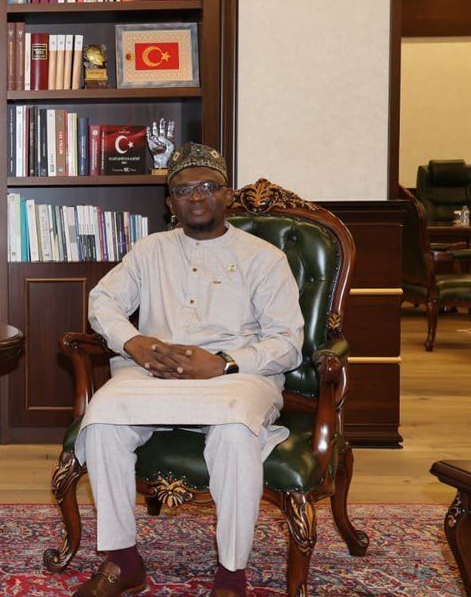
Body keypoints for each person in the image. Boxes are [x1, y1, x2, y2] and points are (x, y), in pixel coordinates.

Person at [70, 143, 304, 597]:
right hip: (155, 373)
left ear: (228, 195)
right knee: (101, 423)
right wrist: (134, 342)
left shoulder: (263, 258)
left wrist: (225, 362)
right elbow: (103, 301)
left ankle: (231, 577)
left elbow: (288, 343)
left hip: (236, 378)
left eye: (208, 186)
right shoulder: (149, 250)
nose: (196, 196)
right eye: (182, 190)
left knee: (234, 434)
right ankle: (123, 560)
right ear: (169, 203)